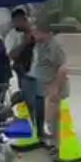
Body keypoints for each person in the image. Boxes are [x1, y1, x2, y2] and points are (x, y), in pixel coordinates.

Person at [30, 22, 69, 153]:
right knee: (51, 120)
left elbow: (63, 68)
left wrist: (56, 89)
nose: (33, 35)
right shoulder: (41, 45)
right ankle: (54, 145)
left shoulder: (54, 46)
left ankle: (59, 146)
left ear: (44, 32)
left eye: (36, 32)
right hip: (46, 86)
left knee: (54, 119)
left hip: (54, 86)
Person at [6, 9, 42, 139]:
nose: (19, 23)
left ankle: (41, 130)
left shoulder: (36, 31)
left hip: (40, 73)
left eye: (22, 20)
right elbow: (11, 55)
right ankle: (33, 130)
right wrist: (24, 43)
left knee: (41, 103)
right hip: (25, 74)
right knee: (30, 103)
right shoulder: (12, 36)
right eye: (16, 21)